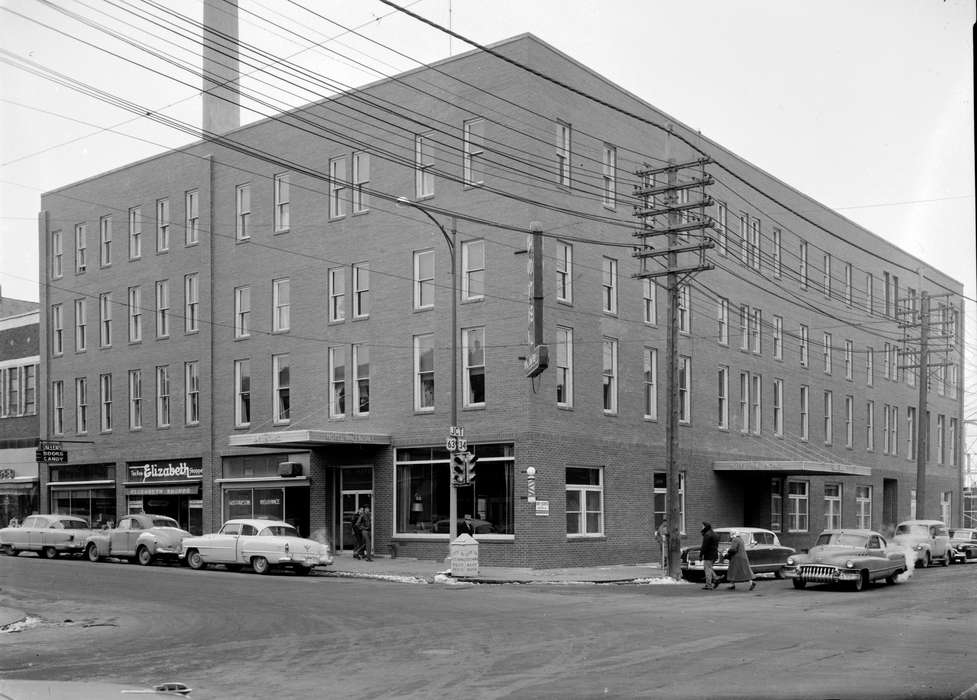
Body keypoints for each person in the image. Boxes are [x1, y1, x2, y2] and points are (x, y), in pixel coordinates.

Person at [699, 521, 720, 590]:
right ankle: (716, 578)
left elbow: (704, 546)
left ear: (705, 527)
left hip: (708, 555)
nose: (701, 527)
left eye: (702, 526)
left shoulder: (707, 535)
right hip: (714, 554)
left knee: (707, 569)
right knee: (709, 568)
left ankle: (709, 585)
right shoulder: (715, 534)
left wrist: (701, 555)